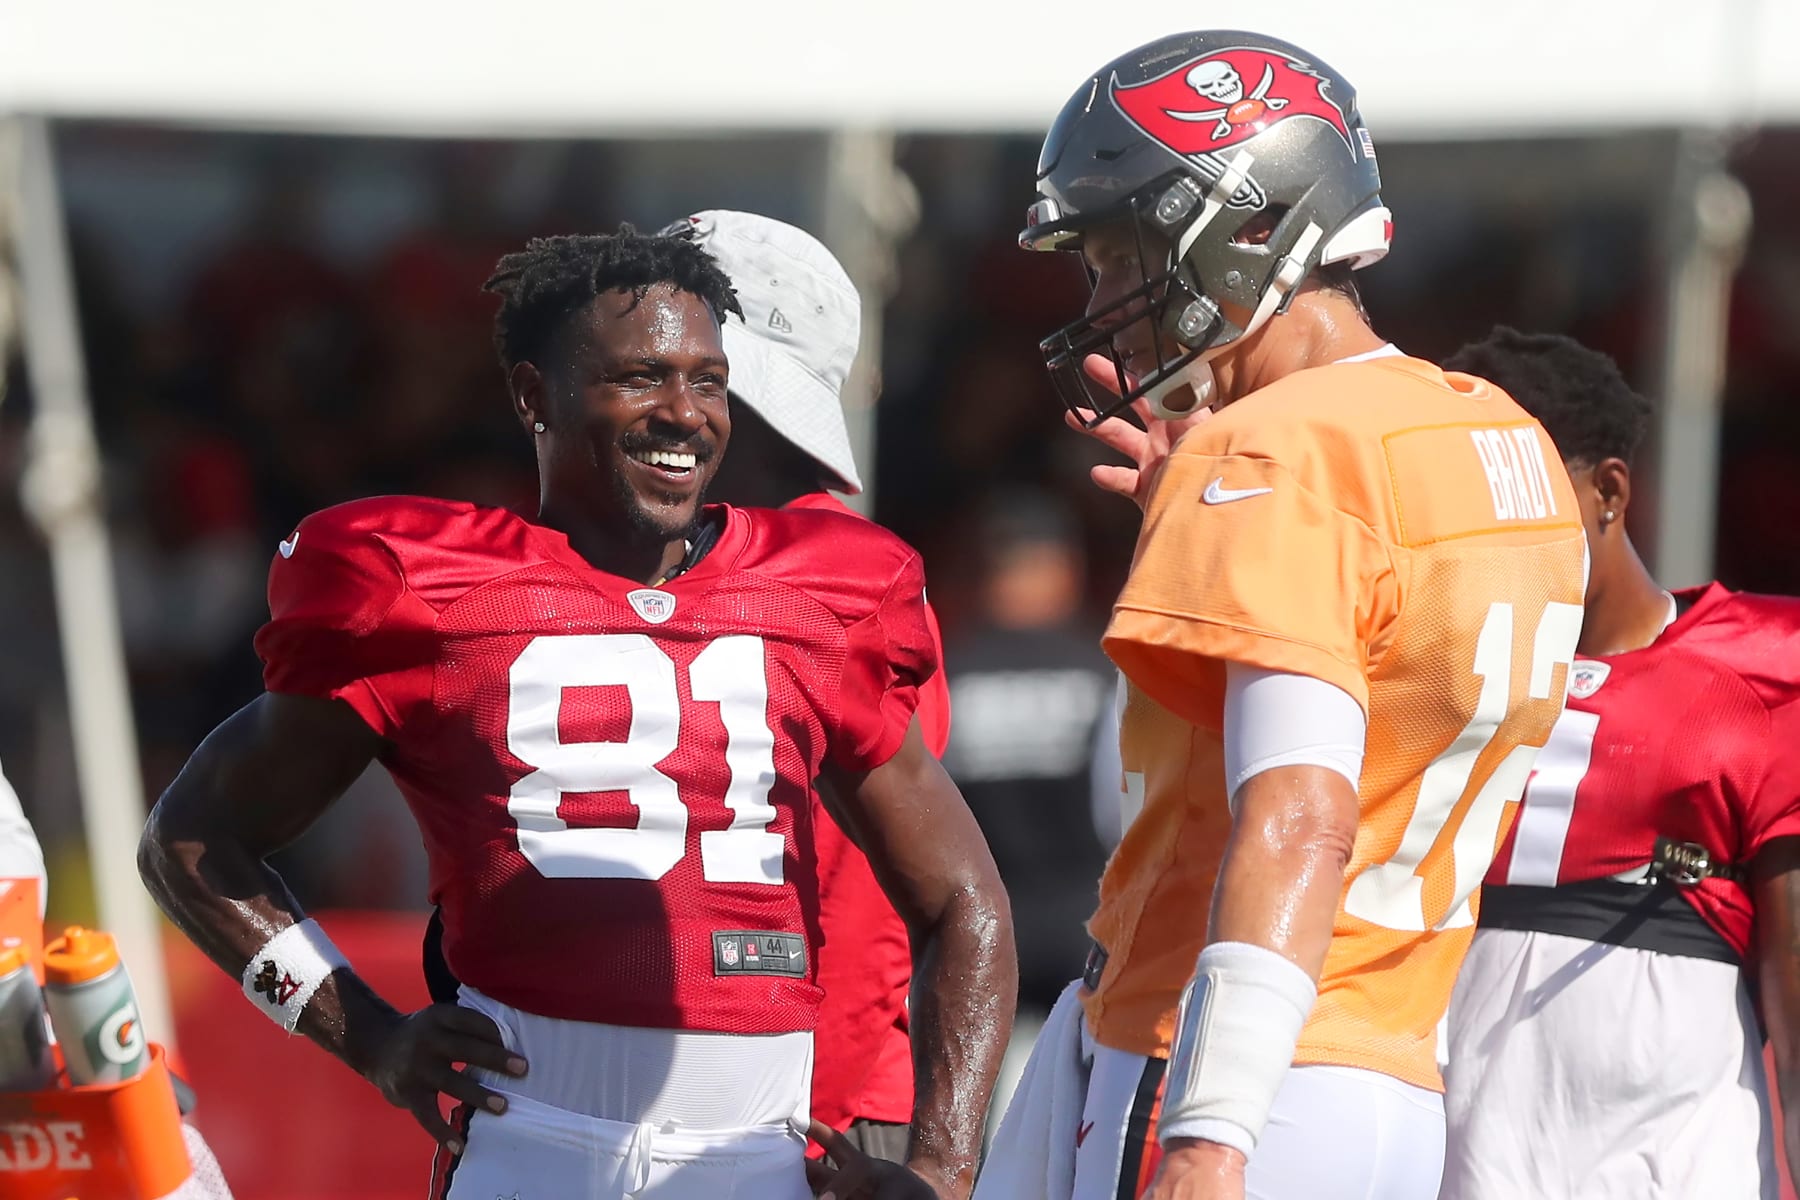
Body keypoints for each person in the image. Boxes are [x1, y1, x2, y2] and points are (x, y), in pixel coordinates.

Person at [138, 227, 1014, 1200]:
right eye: (643, 378)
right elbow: (189, 841)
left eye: (710, 382)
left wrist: (941, 1166)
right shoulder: (425, 588)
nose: (685, 414)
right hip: (530, 1142)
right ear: (532, 398)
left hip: (769, 1147)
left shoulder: (828, 593)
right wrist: (367, 1034)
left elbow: (965, 902)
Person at [977, 30, 1588, 1200]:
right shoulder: (1497, 432)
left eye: (1121, 255)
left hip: (1229, 1061)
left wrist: (1209, 1133)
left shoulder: (1275, 454)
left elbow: (1303, 816)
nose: (1104, 299)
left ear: (1251, 226)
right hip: (1390, 1069)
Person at [1438, 328, 1800, 1198]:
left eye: (1517, 497)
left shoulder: (1764, 666)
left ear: (1607, 490)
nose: (1486, 534)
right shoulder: (1415, 681)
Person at [667, 207, 952, 1164]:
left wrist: (798, 1140)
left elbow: (864, 906)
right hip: (686, 1105)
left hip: (811, 1117)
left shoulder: (843, 581)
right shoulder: (689, 560)